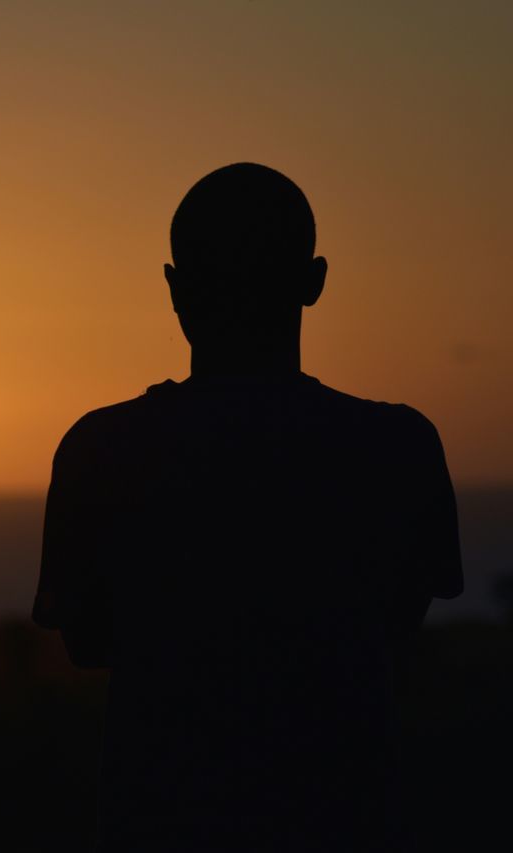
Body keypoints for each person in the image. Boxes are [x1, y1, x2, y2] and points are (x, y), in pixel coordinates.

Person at [33, 163, 462, 852]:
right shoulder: (398, 445)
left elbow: (86, 642)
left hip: (160, 815)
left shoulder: (101, 448)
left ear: (175, 288)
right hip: (344, 814)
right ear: (315, 280)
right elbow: (399, 623)